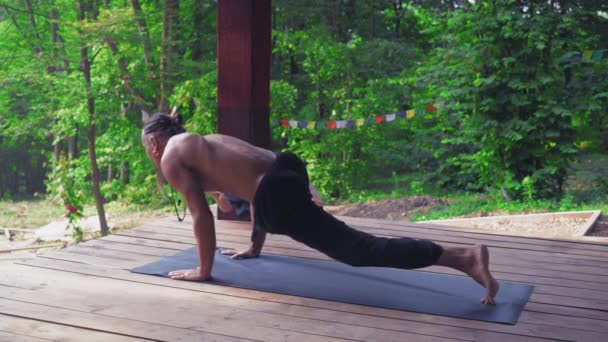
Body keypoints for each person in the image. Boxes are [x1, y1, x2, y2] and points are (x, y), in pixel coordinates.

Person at [141, 112, 500, 304]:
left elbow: (200, 216)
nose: (151, 156)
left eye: (147, 150)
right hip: (286, 167)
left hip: (276, 191)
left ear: (155, 143)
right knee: (347, 242)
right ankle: (461, 257)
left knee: (360, 251)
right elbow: (256, 181)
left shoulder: (171, 155)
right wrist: (255, 247)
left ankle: (463, 257)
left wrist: (203, 270)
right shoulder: (206, 142)